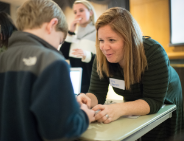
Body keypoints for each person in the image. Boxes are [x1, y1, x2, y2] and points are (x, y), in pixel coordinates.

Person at [0, 0, 95, 141]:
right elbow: (61, 131)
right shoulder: (52, 62)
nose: (57, 48)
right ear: (52, 24)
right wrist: (84, 115)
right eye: (60, 42)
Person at [77, 7, 184, 141]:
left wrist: (118, 109)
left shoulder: (153, 52)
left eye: (111, 40)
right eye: (101, 40)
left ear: (129, 39)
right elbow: (96, 93)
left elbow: (154, 102)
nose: (104, 47)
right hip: (135, 102)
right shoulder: (102, 56)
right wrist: (86, 100)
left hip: (166, 103)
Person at [60, 0, 97, 93]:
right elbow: (62, 55)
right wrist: (70, 32)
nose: (78, 14)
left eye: (81, 10)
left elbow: (103, 59)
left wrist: (87, 55)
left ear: (91, 12)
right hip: (74, 83)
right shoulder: (73, 35)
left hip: (92, 84)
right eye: (75, 12)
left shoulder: (98, 33)